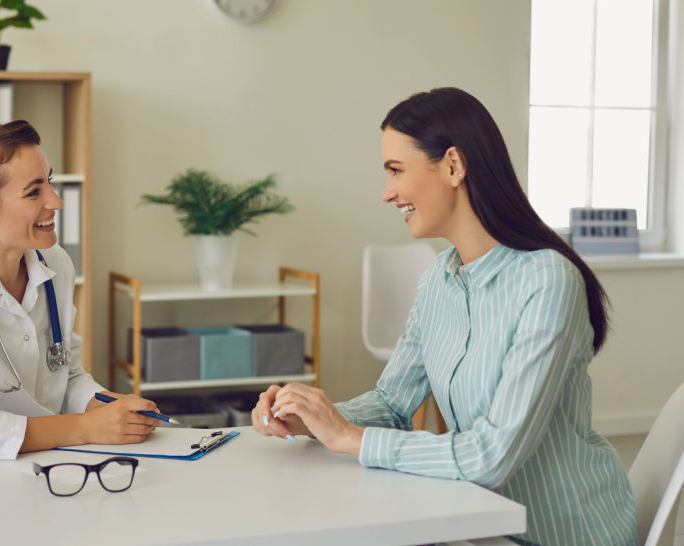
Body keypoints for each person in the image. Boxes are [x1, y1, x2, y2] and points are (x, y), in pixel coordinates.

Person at [252, 88, 637, 545]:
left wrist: (349, 437)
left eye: (396, 170)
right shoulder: (439, 278)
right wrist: (315, 420)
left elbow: (493, 454)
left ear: (454, 165)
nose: (387, 192)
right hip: (483, 521)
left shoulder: (548, 281)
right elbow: (394, 403)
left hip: (563, 534)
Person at [0, 120, 161, 459]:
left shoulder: (56, 264)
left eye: (49, 181)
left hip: (51, 466)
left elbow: (66, 376)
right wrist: (85, 428)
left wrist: (109, 406)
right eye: (33, 191)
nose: (55, 202)